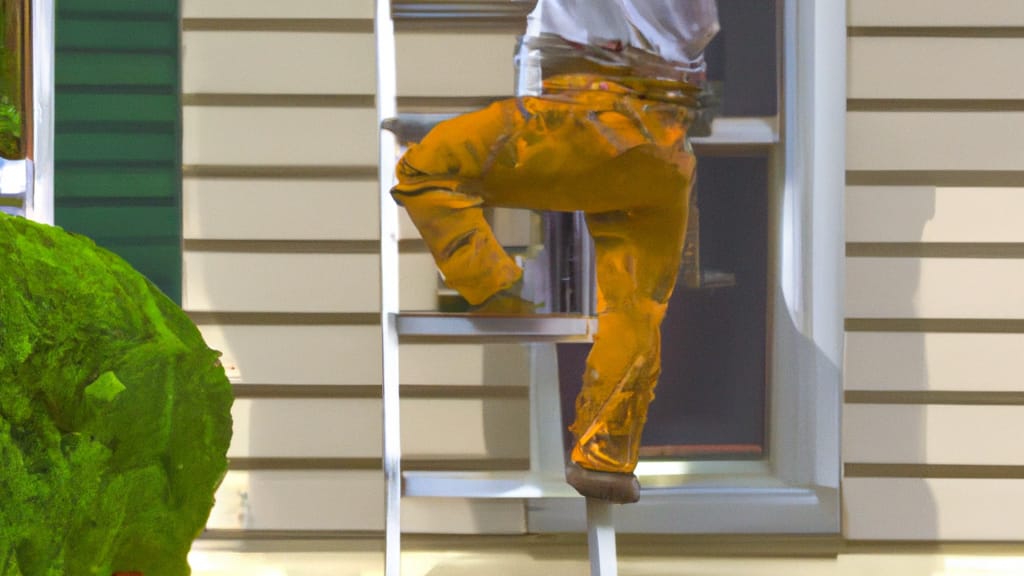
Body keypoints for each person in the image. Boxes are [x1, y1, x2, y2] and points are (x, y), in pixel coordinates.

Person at [390, 0, 719, 503]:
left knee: (426, 168)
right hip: (667, 146)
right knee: (634, 308)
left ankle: (496, 288)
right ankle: (605, 461)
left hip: (587, 118)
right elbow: (696, 34)